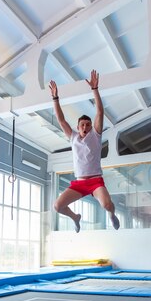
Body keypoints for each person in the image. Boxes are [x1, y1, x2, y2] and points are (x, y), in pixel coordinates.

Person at [49, 70, 120, 233]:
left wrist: (95, 90)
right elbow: (61, 120)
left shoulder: (96, 135)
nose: (86, 127)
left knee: (107, 205)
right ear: (78, 127)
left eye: (88, 125)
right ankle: (75, 217)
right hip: (80, 183)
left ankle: (111, 214)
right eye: (82, 125)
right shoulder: (73, 137)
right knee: (57, 206)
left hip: (95, 181)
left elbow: (100, 112)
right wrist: (55, 98)